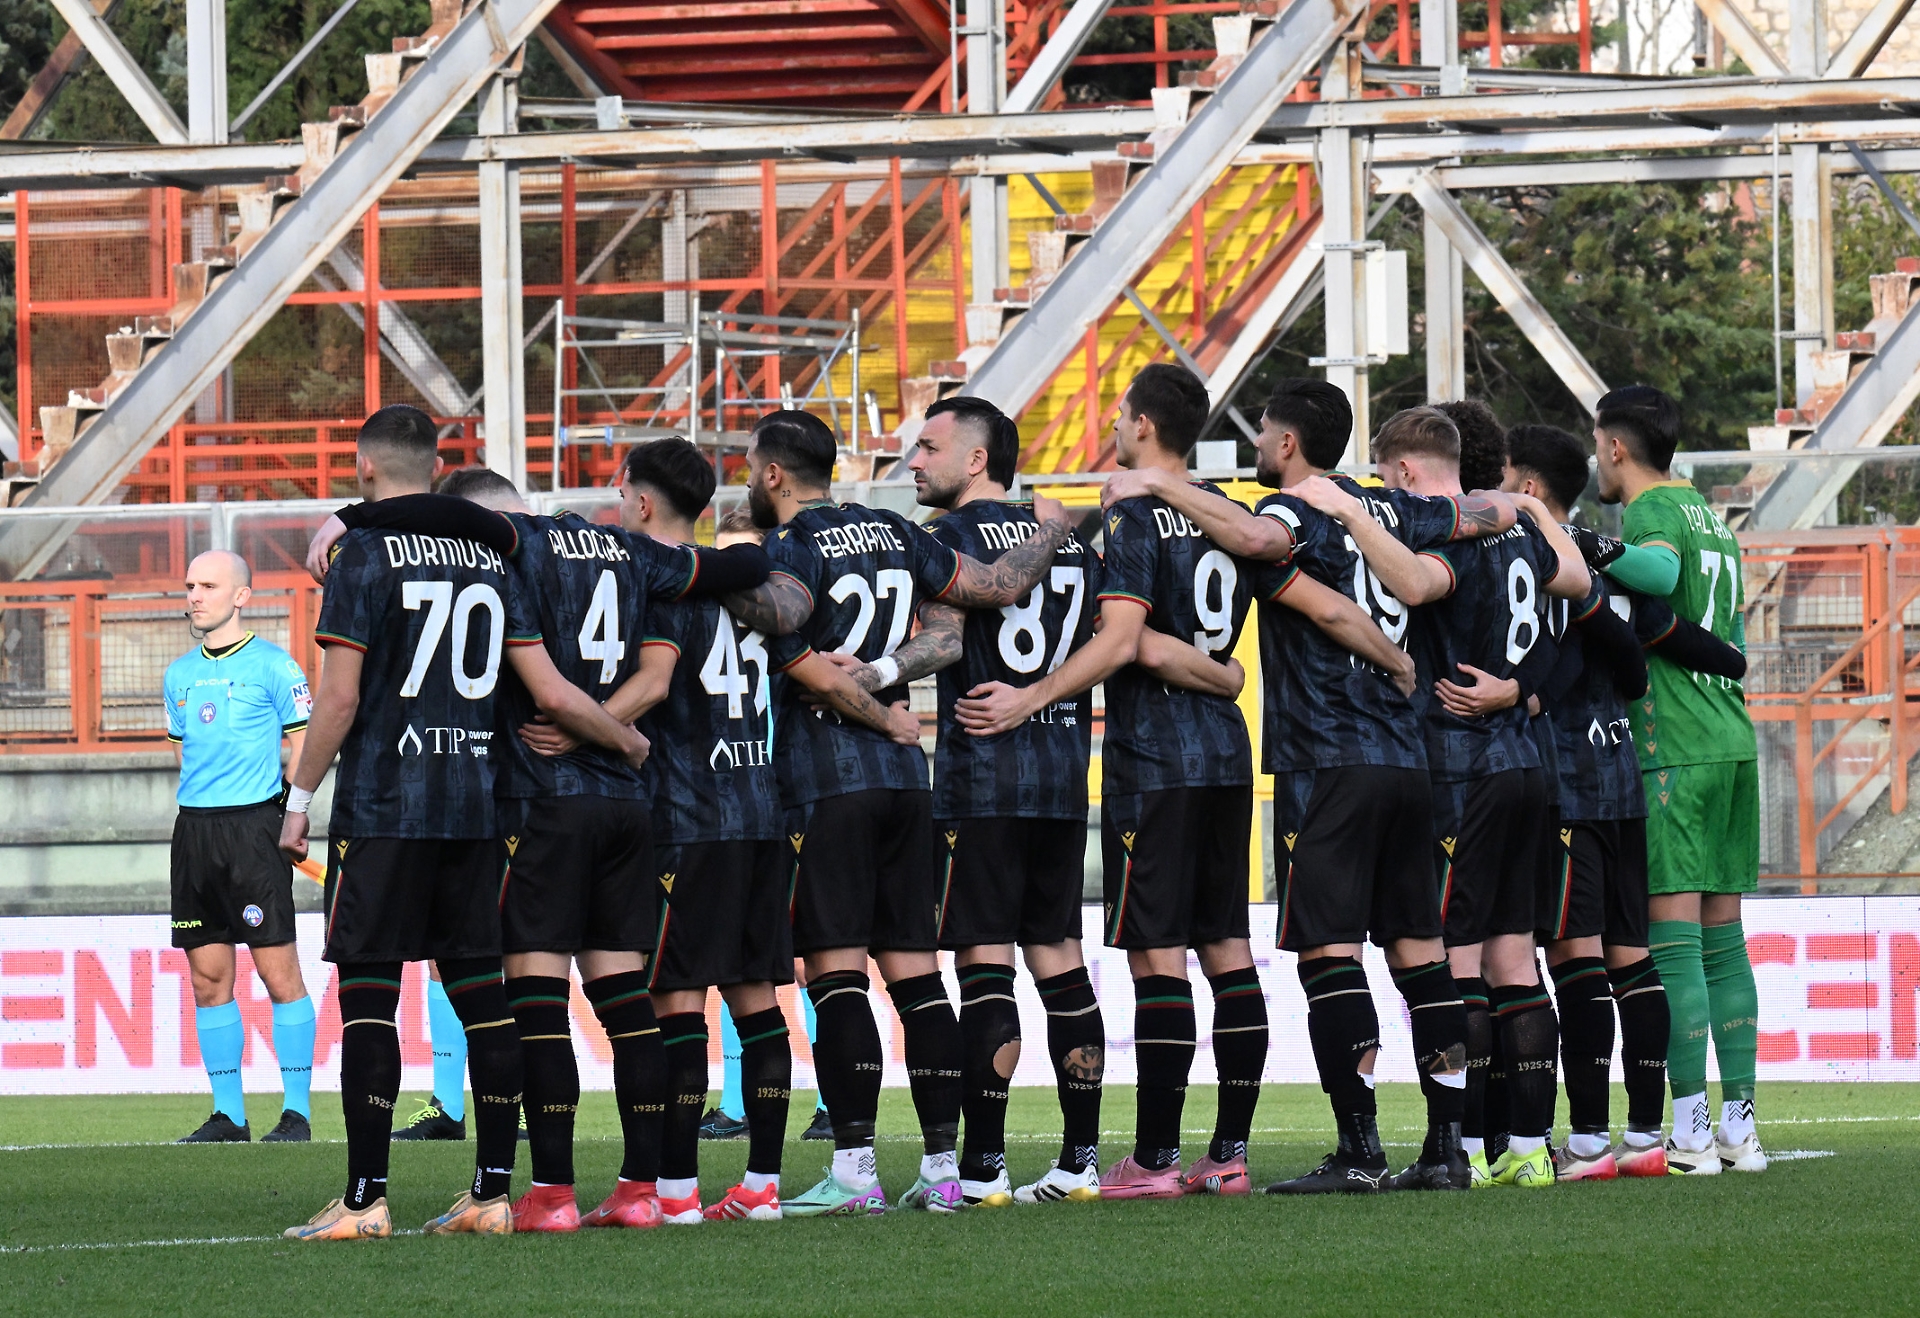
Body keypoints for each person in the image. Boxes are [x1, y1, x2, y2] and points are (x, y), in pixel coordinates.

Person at [1099, 380, 1516, 1194]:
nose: (1257, 445)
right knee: (1420, 954)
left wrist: (1157, 482)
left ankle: (1359, 1151)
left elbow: (1275, 557)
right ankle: (1446, 1148)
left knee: (1330, 955)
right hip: (1408, 759)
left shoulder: (1294, 510)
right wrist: (1525, 508)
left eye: (1262, 432)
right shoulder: (1388, 506)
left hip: (1327, 756)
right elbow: (1483, 515)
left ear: (1287, 443)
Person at [278, 404, 652, 1241]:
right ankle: (489, 1193)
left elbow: (338, 699)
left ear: (365, 468)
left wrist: (298, 802)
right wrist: (625, 738)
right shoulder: (492, 560)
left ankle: (365, 1201)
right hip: (478, 808)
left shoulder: (363, 553)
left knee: (369, 999)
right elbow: (546, 687)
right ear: (437, 470)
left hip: (386, 803)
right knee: (485, 1002)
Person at [721, 408, 1076, 1216]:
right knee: (918, 980)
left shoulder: (788, 547)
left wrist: (707, 573)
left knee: (837, 975)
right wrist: (1053, 531)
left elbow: (785, 626)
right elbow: (976, 609)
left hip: (826, 778)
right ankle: (944, 1171)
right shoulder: (894, 531)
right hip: (908, 784)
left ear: (773, 474)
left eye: (748, 466)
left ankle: (853, 1172)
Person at [1302, 406, 1589, 1189]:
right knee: (1514, 958)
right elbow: (1577, 580)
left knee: (1456, 959)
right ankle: (1527, 1148)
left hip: (1461, 764)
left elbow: (1416, 582)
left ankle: (1452, 1147)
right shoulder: (1516, 525)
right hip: (1526, 761)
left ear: (1402, 471)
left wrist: (1353, 515)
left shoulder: (1448, 533)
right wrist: (1531, 509)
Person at [612, 438, 795, 1223]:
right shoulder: (749, 582)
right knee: (757, 1002)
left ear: (643, 501)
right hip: (760, 810)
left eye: (621, 492)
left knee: (678, 1001)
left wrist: (579, 726)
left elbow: (652, 688)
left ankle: (677, 1191)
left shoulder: (661, 584)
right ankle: (762, 1185)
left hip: (686, 815)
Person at [1592, 384, 1765, 1174]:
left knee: (1676, 944)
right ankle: (1739, 1130)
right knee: (1726, 945)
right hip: (1732, 741)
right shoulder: (1711, 518)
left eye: (1597, 445)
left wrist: (1592, 549)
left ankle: (1690, 1134)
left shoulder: (1652, 512)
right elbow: (1727, 638)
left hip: (1678, 749)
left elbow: (1657, 578)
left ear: (1616, 447)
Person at [165, 549, 317, 1145]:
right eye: (190, 585)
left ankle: (296, 1113)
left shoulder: (276, 666)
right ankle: (228, 1115)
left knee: (279, 973)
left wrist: (290, 811)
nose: (194, 596)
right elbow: (183, 753)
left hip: (255, 830)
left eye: (208, 585)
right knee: (208, 978)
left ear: (241, 596)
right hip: (195, 832)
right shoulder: (178, 675)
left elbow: (304, 743)